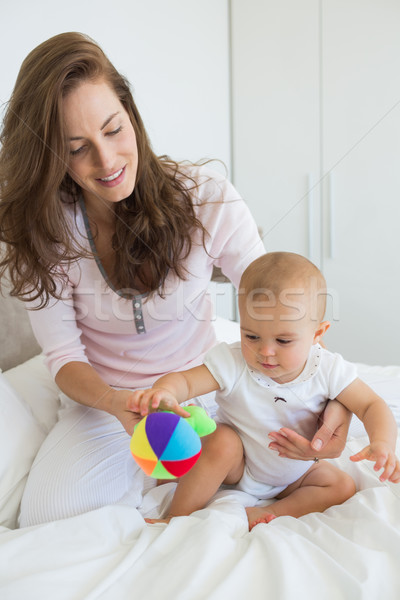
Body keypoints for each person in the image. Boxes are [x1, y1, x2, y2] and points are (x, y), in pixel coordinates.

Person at [0, 33, 347, 527]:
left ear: (131, 114)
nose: (107, 161)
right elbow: (64, 358)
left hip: (203, 387)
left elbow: (277, 305)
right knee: (49, 519)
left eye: (114, 130)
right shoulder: (49, 233)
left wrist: (334, 398)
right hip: (105, 399)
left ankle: (177, 486)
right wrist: (118, 405)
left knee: (303, 469)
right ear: (54, 158)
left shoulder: (205, 197)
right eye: (78, 149)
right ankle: (155, 478)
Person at [132, 252, 400, 529]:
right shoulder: (233, 361)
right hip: (239, 467)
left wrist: (383, 443)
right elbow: (186, 382)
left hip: (296, 472)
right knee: (222, 440)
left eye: (283, 340)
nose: (265, 352)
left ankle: (270, 512)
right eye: (251, 336)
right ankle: (177, 516)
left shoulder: (327, 368)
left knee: (341, 485)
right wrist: (164, 391)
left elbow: (371, 405)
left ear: (318, 334)